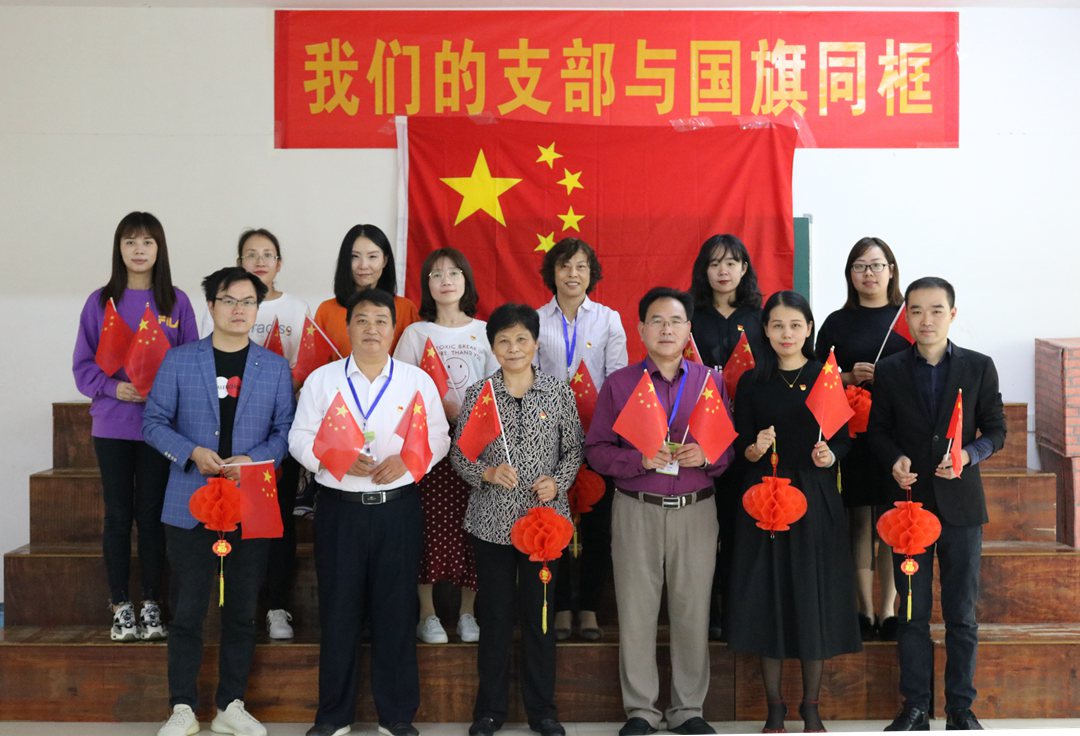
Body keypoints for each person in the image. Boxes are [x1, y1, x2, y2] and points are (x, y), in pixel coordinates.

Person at [290, 288, 450, 736]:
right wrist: (332, 459)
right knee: (338, 611)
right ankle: (333, 716)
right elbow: (298, 437)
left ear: (394, 328)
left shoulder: (415, 381)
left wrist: (410, 462)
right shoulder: (323, 380)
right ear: (349, 327)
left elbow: (439, 436)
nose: (372, 329)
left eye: (381, 321)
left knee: (396, 612)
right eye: (362, 320)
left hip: (396, 511)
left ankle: (396, 716)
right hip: (340, 512)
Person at [143, 266, 295, 736]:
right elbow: (153, 422)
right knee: (188, 610)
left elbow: (285, 433)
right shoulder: (180, 360)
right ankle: (182, 707)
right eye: (229, 300)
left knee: (243, 610)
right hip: (190, 502)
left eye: (248, 302)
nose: (238, 310)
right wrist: (191, 452)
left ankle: (231, 704)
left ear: (258, 309)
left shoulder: (274, 367)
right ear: (211, 306)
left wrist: (253, 459)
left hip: (250, 502)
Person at [586, 287, 735, 736]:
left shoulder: (709, 382)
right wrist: (639, 460)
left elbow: (727, 451)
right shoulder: (621, 384)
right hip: (637, 509)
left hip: (695, 511)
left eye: (675, 321)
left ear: (689, 329)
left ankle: (688, 709)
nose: (666, 329)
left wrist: (706, 456)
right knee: (636, 612)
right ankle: (641, 711)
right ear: (641, 329)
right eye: (657, 320)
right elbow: (596, 450)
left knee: (692, 611)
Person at [869, 277, 1005, 732]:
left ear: (953, 314)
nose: (925, 320)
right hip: (910, 510)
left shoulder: (978, 366)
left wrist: (968, 455)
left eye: (936, 310)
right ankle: (915, 707)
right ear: (906, 316)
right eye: (916, 311)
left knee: (961, 615)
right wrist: (895, 459)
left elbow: (996, 431)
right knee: (912, 613)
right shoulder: (890, 370)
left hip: (961, 509)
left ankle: (961, 708)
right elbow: (877, 432)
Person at [727, 290, 861, 734]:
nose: (787, 333)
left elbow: (843, 440)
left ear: (809, 329)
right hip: (763, 498)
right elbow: (740, 449)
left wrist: (831, 454)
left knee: (811, 595)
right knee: (769, 596)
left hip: (814, 496)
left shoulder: (825, 377)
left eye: (795, 325)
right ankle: (774, 710)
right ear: (765, 330)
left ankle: (811, 708)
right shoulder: (752, 381)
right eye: (778, 325)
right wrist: (755, 447)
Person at [450, 303, 583, 736]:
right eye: (503, 341)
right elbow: (460, 455)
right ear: (493, 347)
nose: (513, 348)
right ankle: (489, 711)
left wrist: (557, 482)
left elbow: (574, 450)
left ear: (535, 343)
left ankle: (543, 711)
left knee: (539, 618)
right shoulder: (480, 394)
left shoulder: (557, 392)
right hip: (492, 525)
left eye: (521, 339)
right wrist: (486, 473)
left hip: (544, 526)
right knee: (495, 618)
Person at [72, 211, 198, 642]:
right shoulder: (100, 301)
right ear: (119, 249)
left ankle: (151, 603)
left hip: (161, 430)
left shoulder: (176, 302)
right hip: (112, 426)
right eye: (130, 241)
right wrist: (113, 388)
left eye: (147, 241)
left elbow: (191, 363)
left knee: (152, 515)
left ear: (159, 249)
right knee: (118, 515)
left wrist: (162, 392)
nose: (139, 249)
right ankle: (120, 605)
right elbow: (82, 366)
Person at [202, 228, 310, 640]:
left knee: (275, 524)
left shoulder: (297, 308)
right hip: (224, 435)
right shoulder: (220, 306)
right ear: (239, 262)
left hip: (277, 433)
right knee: (224, 523)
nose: (260, 261)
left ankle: (277, 606)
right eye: (251, 254)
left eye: (268, 254)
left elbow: (308, 360)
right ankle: (231, 606)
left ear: (279, 263)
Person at [393, 247, 497, 645]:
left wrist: (468, 416)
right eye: (436, 275)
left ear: (466, 280)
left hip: (478, 446)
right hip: (430, 446)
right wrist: (440, 412)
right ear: (427, 285)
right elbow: (401, 391)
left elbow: (499, 388)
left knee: (475, 526)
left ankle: (468, 613)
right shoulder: (416, 334)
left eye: (454, 273)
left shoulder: (484, 331)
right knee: (429, 525)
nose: (446, 280)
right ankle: (428, 614)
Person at [534, 237, 627, 642]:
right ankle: (557, 607)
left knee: (597, 529)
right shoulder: (535, 320)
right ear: (552, 272)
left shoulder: (608, 319)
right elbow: (529, 379)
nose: (573, 274)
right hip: (548, 442)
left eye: (581, 267)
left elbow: (617, 380)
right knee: (550, 525)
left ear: (592, 274)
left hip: (597, 440)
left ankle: (588, 607)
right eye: (565, 266)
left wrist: (602, 433)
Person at [815, 237, 908, 642]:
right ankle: (863, 609)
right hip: (851, 433)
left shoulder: (906, 316)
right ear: (850, 274)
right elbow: (816, 376)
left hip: (895, 433)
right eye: (860, 266)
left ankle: (888, 610)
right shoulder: (837, 322)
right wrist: (849, 377)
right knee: (858, 520)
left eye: (876, 265)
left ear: (891, 270)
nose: (868, 273)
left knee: (889, 520)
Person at [688, 233, 763, 641]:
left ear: (744, 268)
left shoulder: (758, 317)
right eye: (714, 263)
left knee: (738, 529)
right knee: (702, 532)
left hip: (745, 436)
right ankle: (706, 612)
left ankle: (735, 610)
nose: (723, 270)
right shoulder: (690, 315)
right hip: (697, 438)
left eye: (731, 263)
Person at [314, 223, 420, 357]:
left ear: (385, 260)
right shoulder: (326, 311)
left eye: (372, 257)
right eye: (354, 257)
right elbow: (316, 363)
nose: (363, 265)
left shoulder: (406, 309)